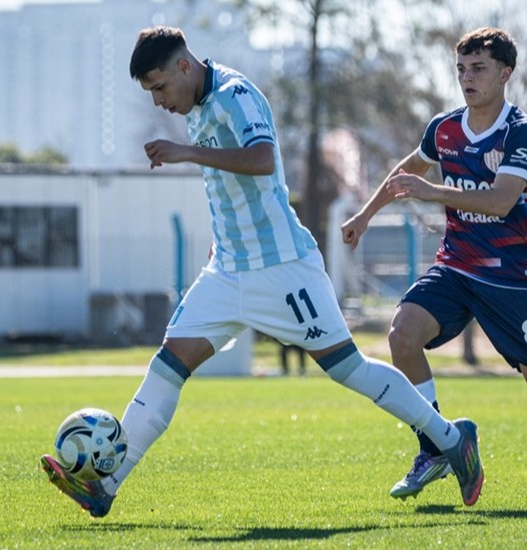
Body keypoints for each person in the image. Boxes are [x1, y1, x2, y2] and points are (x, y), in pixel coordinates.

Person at [39, 26, 483, 518]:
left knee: (349, 370)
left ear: (184, 66)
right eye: (151, 93)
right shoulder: (197, 107)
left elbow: (261, 159)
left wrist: (187, 153)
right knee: (166, 368)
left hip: (283, 269)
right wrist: (221, 239)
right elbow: (229, 187)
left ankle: (451, 438)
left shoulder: (234, 94)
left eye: (160, 87)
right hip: (228, 272)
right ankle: (106, 487)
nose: (159, 101)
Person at [341, 27, 527, 507]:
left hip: (512, 277)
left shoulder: (521, 131)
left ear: (506, 73)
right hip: (457, 265)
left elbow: (504, 201)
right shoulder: (443, 128)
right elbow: (407, 173)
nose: (467, 78)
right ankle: (437, 446)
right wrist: (364, 214)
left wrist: (434, 192)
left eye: (478, 68)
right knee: (401, 334)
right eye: (461, 69)